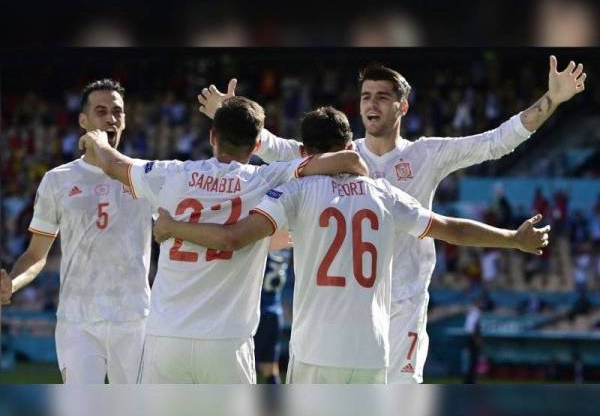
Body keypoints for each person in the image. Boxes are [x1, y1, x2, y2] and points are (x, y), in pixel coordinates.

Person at [196, 55, 585, 383]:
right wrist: (230, 117)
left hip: (403, 303)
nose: (372, 103)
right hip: (346, 308)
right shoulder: (341, 155)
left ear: (402, 107)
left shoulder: (427, 153)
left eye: (383, 96)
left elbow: (497, 141)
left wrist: (552, 99)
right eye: (366, 96)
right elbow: (277, 148)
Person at [152, 106, 550, 384]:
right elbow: (452, 229)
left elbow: (234, 236)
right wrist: (512, 239)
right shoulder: (385, 194)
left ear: (305, 154)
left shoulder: (294, 192)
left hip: (314, 347)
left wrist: (173, 226)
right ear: (349, 147)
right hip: (371, 350)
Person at [79, 96, 368, 384]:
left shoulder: (173, 174)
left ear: (212, 136)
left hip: (166, 336)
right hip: (227, 341)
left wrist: (98, 141)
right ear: (256, 146)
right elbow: (349, 160)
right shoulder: (265, 177)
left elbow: (114, 165)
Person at [0, 79, 152, 384]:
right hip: (78, 321)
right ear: (84, 121)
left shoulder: (147, 175)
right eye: (101, 111)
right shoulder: (57, 180)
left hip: (135, 320)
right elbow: (35, 254)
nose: (111, 118)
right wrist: (11, 285)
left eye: (117, 112)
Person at [255, 248, 292, 384]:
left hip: (257, 312)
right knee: (270, 368)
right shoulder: (286, 244)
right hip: (275, 312)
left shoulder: (265, 240)